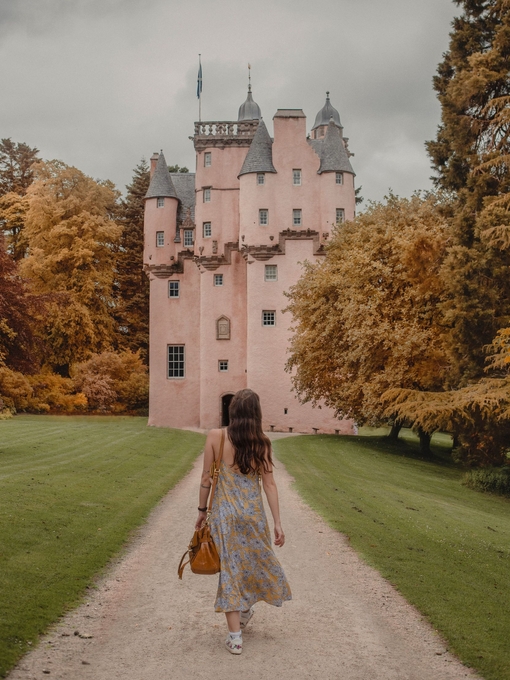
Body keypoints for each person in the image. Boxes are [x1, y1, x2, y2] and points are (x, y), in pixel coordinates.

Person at [195, 389, 292, 655]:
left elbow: (206, 479)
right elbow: (269, 484)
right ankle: (245, 611)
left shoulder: (217, 436)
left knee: (231, 570)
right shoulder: (262, 442)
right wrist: (277, 522)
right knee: (251, 563)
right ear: (256, 413)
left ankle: (235, 637)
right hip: (253, 516)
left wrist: (202, 510)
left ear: (233, 411)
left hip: (226, 516)